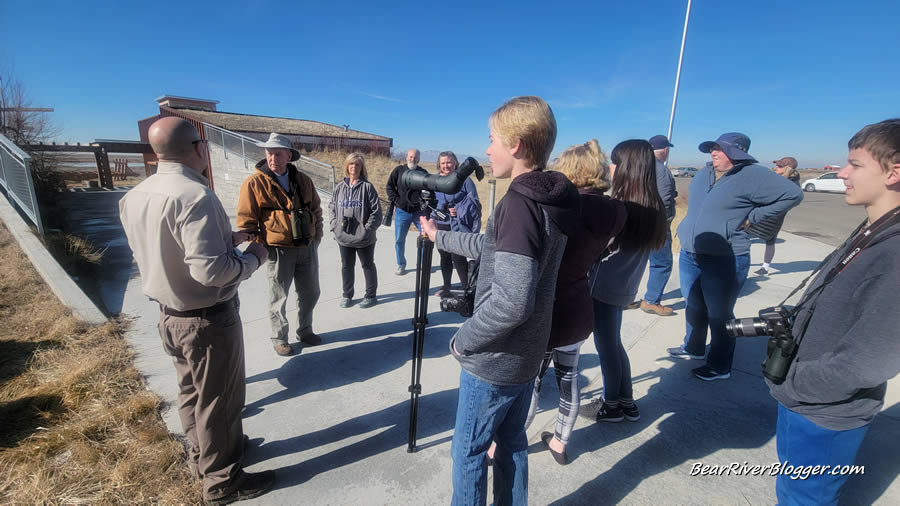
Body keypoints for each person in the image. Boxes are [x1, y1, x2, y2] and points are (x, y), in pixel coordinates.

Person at [419, 96, 579, 505]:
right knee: (512, 446)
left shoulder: (518, 205)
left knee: (469, 453)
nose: (487, 149)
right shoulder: (551, 201)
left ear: (518, 145)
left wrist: (463, 340)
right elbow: (491, 246)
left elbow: (511, 302)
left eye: (492, 139)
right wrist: (440, 236)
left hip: (493, 361)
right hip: (526, 357)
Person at [119, 117, 275, 503]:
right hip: (207, 320)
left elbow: (165, 245)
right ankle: (223, 482)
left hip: (169, 316)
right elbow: (212, 272)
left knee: (191, 393)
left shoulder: (136, 194)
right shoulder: (195, 196)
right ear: (197, 148)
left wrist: (227, 237)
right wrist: (252, 257)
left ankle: (203, 456)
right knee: (219, 402)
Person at [768, 119, 900, 505]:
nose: (841, 173)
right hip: (807, 401)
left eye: (855, 165)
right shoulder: (875, 228)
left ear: (894, 172)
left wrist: (798, 384)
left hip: (825, 410)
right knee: (793, 489)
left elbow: (870, 360)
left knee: (805, 498)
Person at [487, 139, 625, 466]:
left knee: (529, 385)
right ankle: (561, 442)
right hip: (578, 307)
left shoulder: (564, 207)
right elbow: (607, 251)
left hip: (546, 309)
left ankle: (502, 445)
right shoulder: (616, 210)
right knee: (568, 379)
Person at [667, 133, 803, 381]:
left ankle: (720, 365)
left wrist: (753, 218)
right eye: (713, 149)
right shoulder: (703, 172)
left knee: (719, 314)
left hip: (725, 256)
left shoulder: (753, 175)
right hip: (691, 252)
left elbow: (793, 195)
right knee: (694, 305)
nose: (713, 153)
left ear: (737, 152)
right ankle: (694, 347)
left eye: (720, 149)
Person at [583, 139, 668, 422]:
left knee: (606, 346)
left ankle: (610, 405)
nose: (610, 166)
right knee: (614, 344)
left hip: (604, 286)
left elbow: (596, 247)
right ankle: (626, 400)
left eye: (615, 161)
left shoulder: (619, 206)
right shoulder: (652, 204)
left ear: (626, 167)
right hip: (625, 286)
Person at [236, 133, 324, 357]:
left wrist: (317, 238)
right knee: (279, 296)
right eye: (268, 153)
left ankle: (305, 330)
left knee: (311, 292)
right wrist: (259, 247)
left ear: (288, 156)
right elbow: (246, 221)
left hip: (306, 246)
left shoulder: (303, 180)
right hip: (277, 250)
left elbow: (316, 210)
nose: (272, 158)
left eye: (277, 153)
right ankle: (279, 338)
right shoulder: (254, 183)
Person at [627, 134, 677, 316]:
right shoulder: (662, 171)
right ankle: (651, 301)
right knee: (662, 263)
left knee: (634, 262)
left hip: (638, 221)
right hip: (657, 226)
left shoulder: (638, 167)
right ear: (665, 150)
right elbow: (662, 202)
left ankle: (627, 297)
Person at [330, 152, 382, 308]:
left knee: (367, 265)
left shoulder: (367, 188)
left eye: (357, 164)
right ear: (347, 166)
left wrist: (366, 230)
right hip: (343, 237)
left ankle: (371, 296)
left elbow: (376, 213)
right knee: (346, 266)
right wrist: (334, 225)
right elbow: (332, 206)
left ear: (362, 168)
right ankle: (347, 295)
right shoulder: (339, 187)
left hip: (364, 239)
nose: (354, 167)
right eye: (351, 164)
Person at [433, 150, 482, 297]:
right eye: (443, 163)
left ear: (455, 163)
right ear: (439, 164)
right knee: (444, 257)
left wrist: (459, 210)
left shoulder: (465, 180)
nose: (446, 165)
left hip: (458, 225)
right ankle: (446, 287)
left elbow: (474, 203)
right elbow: (430, 203)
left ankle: (467, 289)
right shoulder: (434, 180)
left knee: (458, 257)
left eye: (449, 162)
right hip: (441, 224)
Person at [752, 156, 802, 275]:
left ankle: (765, 267)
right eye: (776, 165)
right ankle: (763, 267)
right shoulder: (777, 178)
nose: (776, 168)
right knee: (763, 240)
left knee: (769, 240)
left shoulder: (792, 184)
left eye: (779, 166)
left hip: (773, 216)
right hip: (764, 212)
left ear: (788, 169)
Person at [386, 149, 428, 275]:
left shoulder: (423, 173)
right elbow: (389, 187)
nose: (412, 159)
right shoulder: (398, 171)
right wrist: (397, 201)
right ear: (406, 157)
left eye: (415, 157)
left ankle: (421, 264)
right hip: (402, 212)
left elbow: (429, 191)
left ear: (419, 159)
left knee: (425, 238)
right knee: (399, 240)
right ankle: (401, 264)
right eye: (410, 157)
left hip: (418, 212)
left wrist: (424, 202)